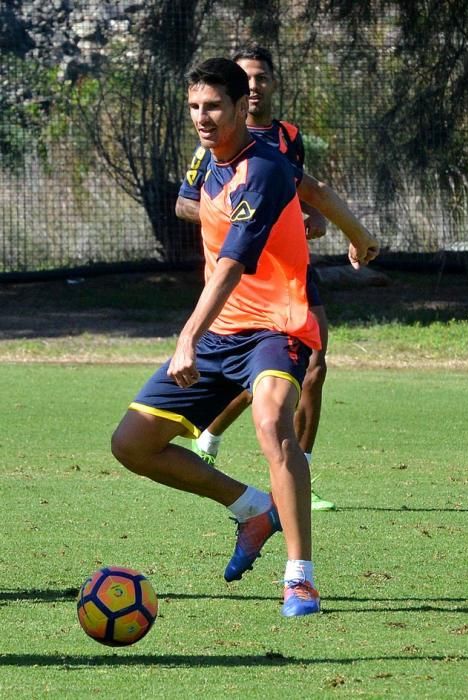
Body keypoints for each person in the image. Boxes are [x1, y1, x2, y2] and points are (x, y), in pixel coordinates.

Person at [112, 57, 323, 617]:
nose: (202, 118)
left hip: (277, 327)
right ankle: (253, 509)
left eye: (212, 107)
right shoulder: (209, 161)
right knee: (132, 444)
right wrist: (360, 234)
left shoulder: (262, 167)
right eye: (194, 108)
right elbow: (316, 191)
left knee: (271, 421)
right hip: (221, 333)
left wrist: (185, 339)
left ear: (238, 106)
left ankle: (299, 577)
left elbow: (230, 267)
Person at [176, 45, 379, 511]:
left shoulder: (284, 141)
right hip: (243, 282)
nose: (252, 85)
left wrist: (331, 226)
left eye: (260, 78)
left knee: (313, 367)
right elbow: (188, 203)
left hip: (291, 274)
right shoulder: (210, 146)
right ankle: (212, 435)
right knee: (257, 382)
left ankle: (300, 473)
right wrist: (243, 224)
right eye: (243, 78)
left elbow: (307, 192)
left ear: (267, 87)